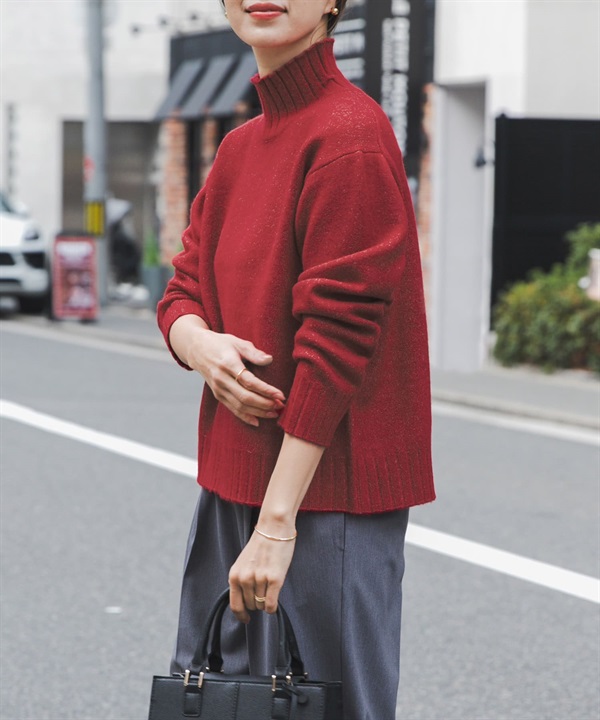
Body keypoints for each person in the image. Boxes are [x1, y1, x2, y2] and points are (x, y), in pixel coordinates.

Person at [157, 1, 435, 718]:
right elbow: (182, 288)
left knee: (330, 706)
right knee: (218, 704)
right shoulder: (239, 147)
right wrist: (199, 344)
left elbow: (339, 338)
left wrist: (278, 525)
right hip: (229, 489)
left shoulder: (351, 135)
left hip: (325, 501)